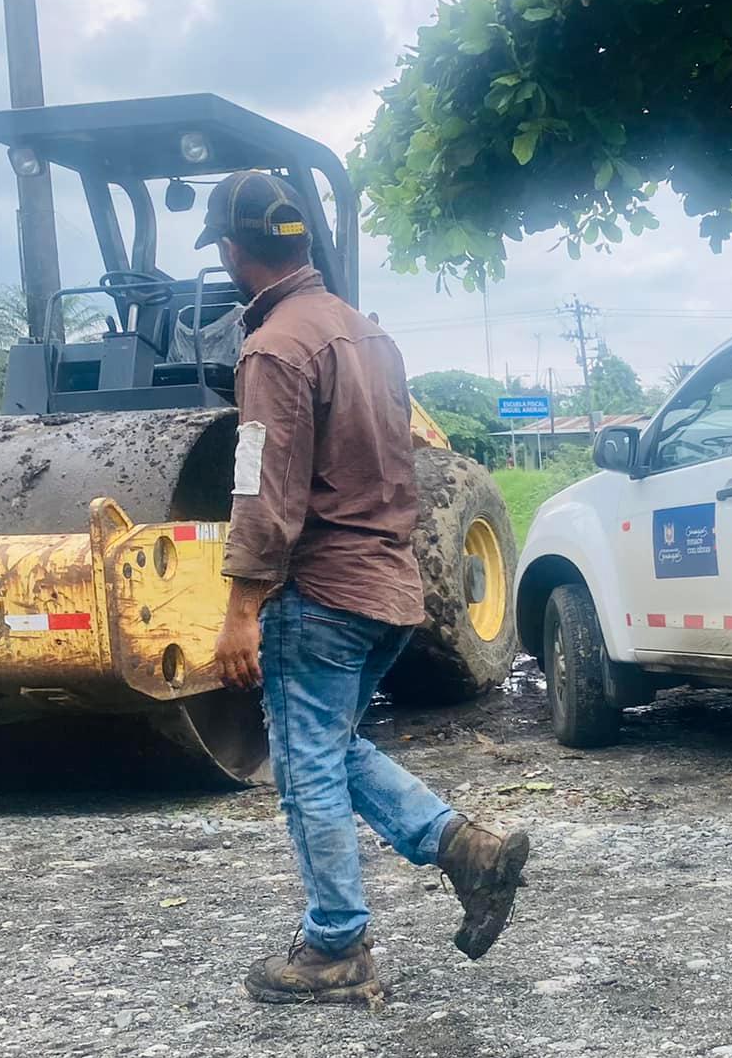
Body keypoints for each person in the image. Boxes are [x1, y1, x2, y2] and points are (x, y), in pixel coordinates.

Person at [199, 169, 528, 1007]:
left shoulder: (273, 348)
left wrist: (239, 611)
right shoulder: (370, 335)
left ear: (233, 252)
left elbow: (262, 491)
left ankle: (335, 945)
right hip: (390, 586)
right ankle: (464, 848)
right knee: (327, 748)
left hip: (320, 594)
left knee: (306, 767)